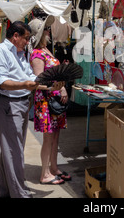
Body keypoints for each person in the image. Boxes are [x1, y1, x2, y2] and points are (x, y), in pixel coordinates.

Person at [0, 21, 39, 198]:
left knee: (11, 149)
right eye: (26, 38)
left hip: (21, 103)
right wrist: (25, 84)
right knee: (14, 151)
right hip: (8, 104)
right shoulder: (0, 52)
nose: (27, 42)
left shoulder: (20, 53)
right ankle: (20, 194)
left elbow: (29, 76)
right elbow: (1, 82)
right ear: (15, 36)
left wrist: (47, 83)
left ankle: (4, 190)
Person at [29, 17, 70, 185]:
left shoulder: (46, 50)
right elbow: (40, 81)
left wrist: (62, 86)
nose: (49, 31)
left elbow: (54, 73)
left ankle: (53, 167)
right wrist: (58, 87)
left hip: (55, 101)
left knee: (55, 135)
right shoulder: (37, 53)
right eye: (46, 29)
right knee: (48, 137)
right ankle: (44, 174)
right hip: (46, 101)